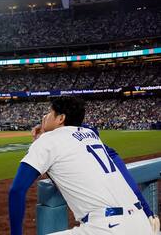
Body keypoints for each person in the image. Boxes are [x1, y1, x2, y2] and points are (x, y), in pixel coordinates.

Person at [8, 96, 159, 235]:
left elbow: (16, 191)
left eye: (49, 113)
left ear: (60, 118)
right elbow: (75, 132)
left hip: (106, 227)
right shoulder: (91, 135)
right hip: (142, 222)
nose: (44, 117)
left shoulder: (47, 141)